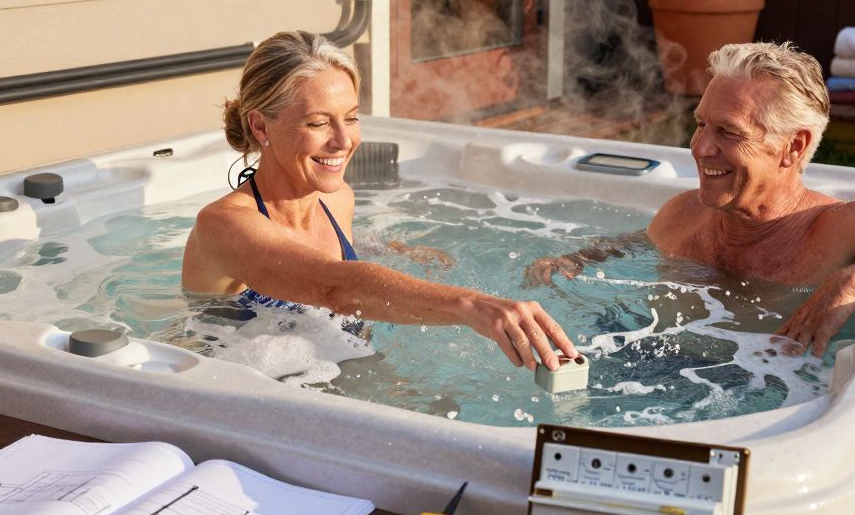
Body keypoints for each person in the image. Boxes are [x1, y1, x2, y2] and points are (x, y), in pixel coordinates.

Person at [526, 41, 855, 356]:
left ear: (793, 147)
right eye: (700, 123)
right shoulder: (685, 214)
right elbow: (640, 240)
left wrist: (854, 279)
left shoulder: (843, 230)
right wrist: (580, 257)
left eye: (728, 131)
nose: (701, 147)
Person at [182, 31, 578, 370]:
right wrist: (472, 305)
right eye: (318, 123)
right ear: (260, 125)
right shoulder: (222, 225)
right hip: (249, 395)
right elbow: (332, 288)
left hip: (327, 367)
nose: (343, 140)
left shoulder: (337, 201)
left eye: (351, 118)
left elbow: (325, 271)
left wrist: (392, 248)